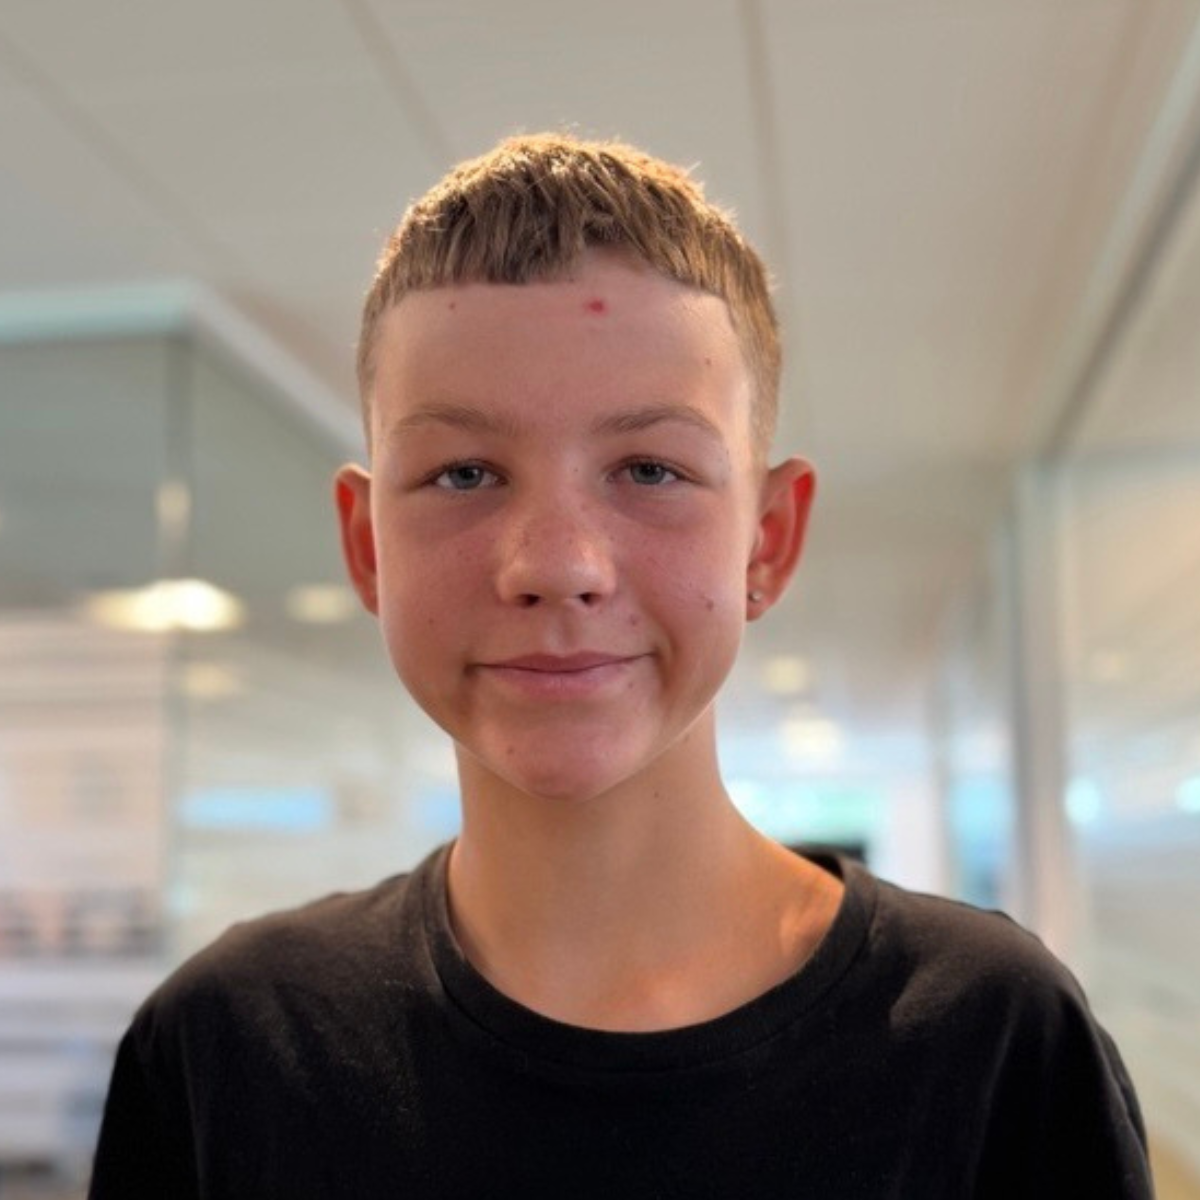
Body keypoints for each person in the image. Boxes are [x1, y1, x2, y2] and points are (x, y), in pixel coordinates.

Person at [88, 133, 1153, 1198]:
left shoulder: (992, 1045)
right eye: (464, 474)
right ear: (369, 546)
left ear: (766, 541)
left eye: (649, 469)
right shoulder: (230, 1049)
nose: (556, 566)